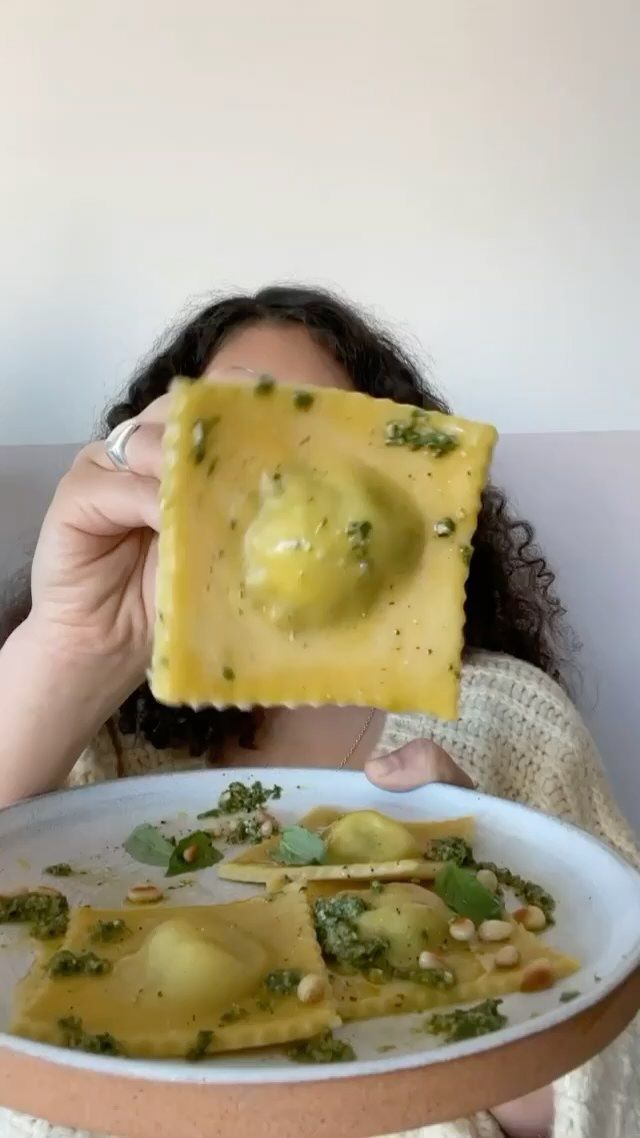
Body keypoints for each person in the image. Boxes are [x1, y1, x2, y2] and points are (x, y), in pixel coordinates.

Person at [0, 286, 637, 1138]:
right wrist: (72, 650)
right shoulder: (93, 736)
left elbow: (615, 1072)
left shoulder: (514, 716)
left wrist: (472, 925)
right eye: (233, 434)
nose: (283, 486)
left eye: (328, 435)